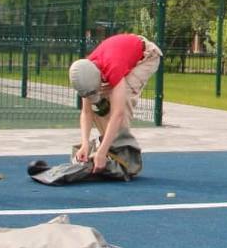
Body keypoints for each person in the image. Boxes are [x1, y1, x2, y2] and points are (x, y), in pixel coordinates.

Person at [68, 33, 162, 173]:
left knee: (122, 101)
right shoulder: (84, 72)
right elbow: (86, 111)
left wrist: (102, 151)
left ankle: (126, 156)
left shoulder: (113, 67)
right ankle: (107, 147)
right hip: (121, 55)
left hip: (147, 56)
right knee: (101, 105)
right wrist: (85, 144)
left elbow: (118, 114)